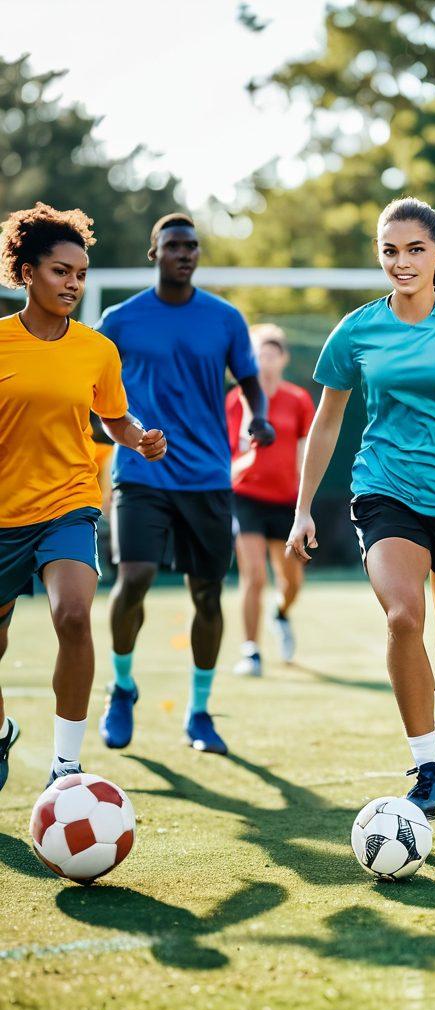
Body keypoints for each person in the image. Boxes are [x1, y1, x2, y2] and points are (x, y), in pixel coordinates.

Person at [286, 197, 435, 819]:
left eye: (415, 249)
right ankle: (424, 766)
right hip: (385, 489)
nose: (402, 262)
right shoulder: (358, 330)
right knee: (402, 616)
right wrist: (303, 507)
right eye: (390, 251)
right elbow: (328, 419)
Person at [0, 203, 166, 792]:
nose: (72, 284)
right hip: (2, 516)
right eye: (59, 271)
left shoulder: (97, 350)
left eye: (80, 274)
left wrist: (139, 437)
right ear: (26, 272)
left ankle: (66, 766)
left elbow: (113, 418)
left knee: (73, 615)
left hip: (69, 504)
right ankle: (1, 736)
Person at [96, 213, 275, 757]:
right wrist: (101, 428)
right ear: (155, 253)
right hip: (142, 472)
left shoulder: (223, 319)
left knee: (207, 594)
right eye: (174, 245)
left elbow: (249, 384)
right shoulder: (120, 319)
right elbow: (90, 386)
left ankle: (199, 713)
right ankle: (123, 687)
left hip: (206, 478)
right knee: (135, 578)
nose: (185, 253)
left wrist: (256, 417)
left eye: (192, 246)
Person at [228, 324, 315, 674]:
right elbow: (224, 452)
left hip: (287, 502)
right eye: (259, 353)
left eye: (272, 353)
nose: (265, 360)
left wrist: (303, 501)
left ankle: (280, 614)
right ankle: (250, 651)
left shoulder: (298, 399)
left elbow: (305, 450)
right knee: (254, 575)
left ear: (283, 359)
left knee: (291, 581)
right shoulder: (235, 401)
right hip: (245, 497)